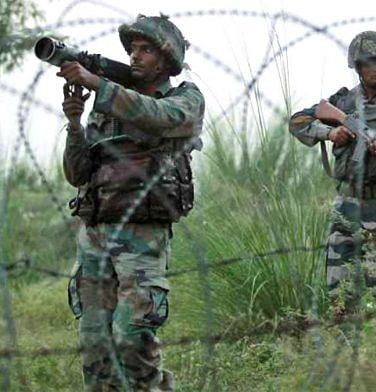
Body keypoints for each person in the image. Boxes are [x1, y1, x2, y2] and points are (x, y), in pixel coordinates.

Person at [60, 14, 204, 390]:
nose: (135, 57)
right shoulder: (108, 107)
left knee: (132, 339)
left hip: (141, 236)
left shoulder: (183, 98)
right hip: (95, 234)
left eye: (145, 50)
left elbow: (161, 116)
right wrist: (75, 125)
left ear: (166, 59)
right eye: (131, 50)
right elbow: (77, 174)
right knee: (95, 344)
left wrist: (98, 83)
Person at [288, 31, 376, 319]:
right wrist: (331, 132)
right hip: (348, 204)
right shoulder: (342, 103)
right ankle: (345, 351)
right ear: (358, 67)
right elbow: (298, 122)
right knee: (338, 287)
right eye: (370, 62)